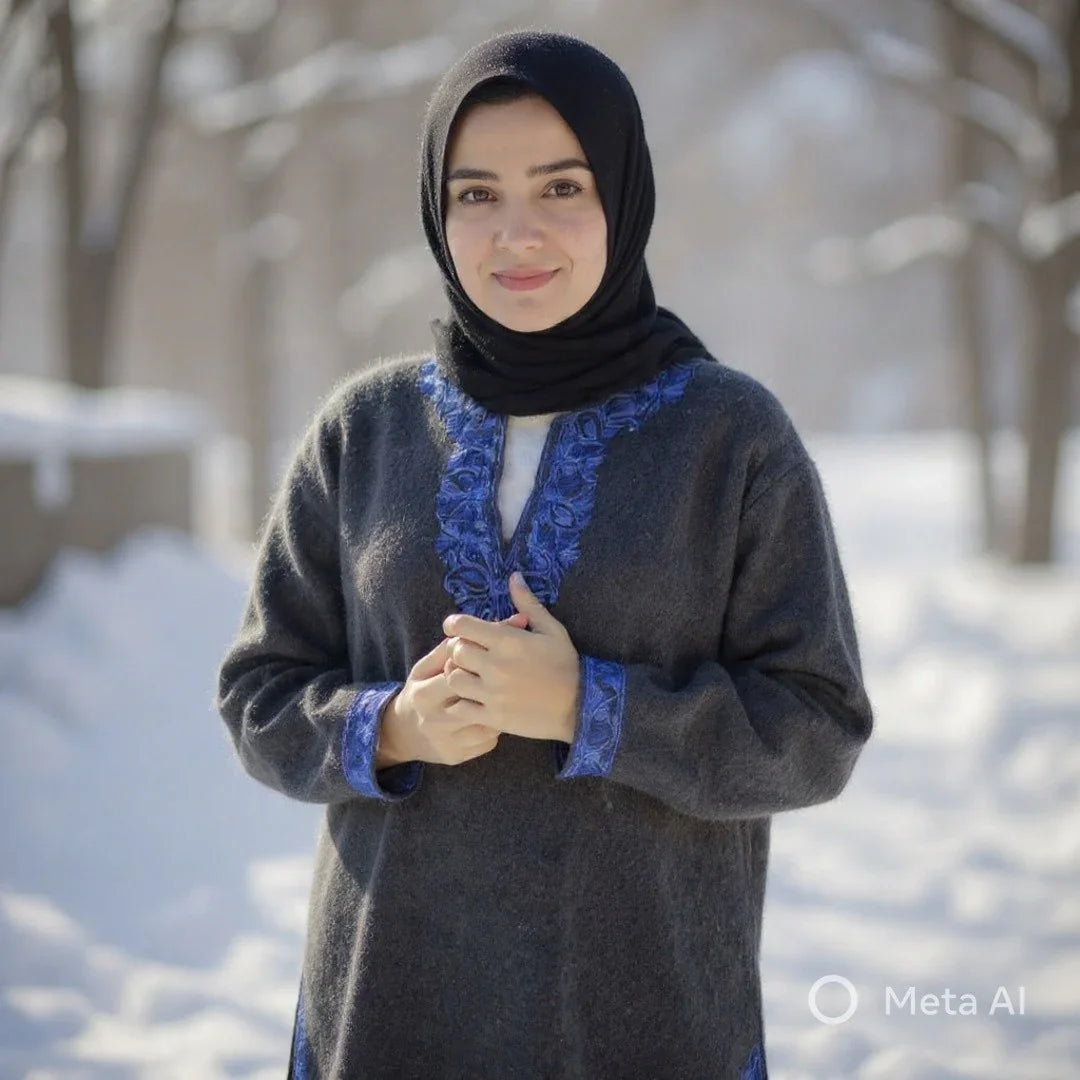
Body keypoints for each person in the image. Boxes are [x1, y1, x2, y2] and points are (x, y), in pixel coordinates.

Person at [215, 28, 874, 1080]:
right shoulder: (362, 431)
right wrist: (392, 726)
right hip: (391, 1014)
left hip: (646, 1023)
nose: (515, 233)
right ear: (438, 212)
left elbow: (818, 727)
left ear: (622, 193)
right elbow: (260, 693)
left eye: (560, 186)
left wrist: (591, 708)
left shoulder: (732, 437)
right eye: (476, 194)